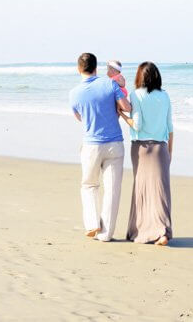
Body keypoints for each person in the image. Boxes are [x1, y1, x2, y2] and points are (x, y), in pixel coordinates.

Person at [69, 53, 131, 242]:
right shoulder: (110, 84)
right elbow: (126, 107)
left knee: (89, 185)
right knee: (112, 189)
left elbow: (80, 118)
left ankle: (92, 223)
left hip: (91, 145)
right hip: (114, 144)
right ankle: (106, 234)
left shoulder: (74, 93)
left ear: (79, 69)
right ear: (96, 68)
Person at [126, 61, 174, 246]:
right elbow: (170, 126)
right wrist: (170, 151)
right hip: (161, 148)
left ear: (140, 76)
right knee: (161, 193)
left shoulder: (136, 95)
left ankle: (140, 231)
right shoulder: (165, 96)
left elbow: (136, 124)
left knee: (142, 190)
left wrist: (123, 116)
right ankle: (163, 232)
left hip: (140, 148)